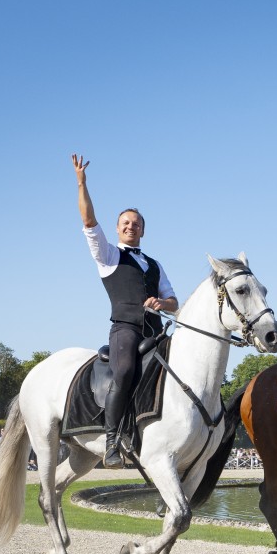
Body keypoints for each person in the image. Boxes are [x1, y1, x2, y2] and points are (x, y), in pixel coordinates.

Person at [73, 154, 178, 469]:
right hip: (125, 329)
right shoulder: (108, 255)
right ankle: (111, 440)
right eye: (125, 223)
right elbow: (89, 221)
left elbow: (174, 302)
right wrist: (82, 183)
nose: (131, 227)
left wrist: (162, 304)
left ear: (143, 231)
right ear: (118, 229)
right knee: (125, 372)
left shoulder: (156, 265)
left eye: (136, 224)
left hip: (157, 331)